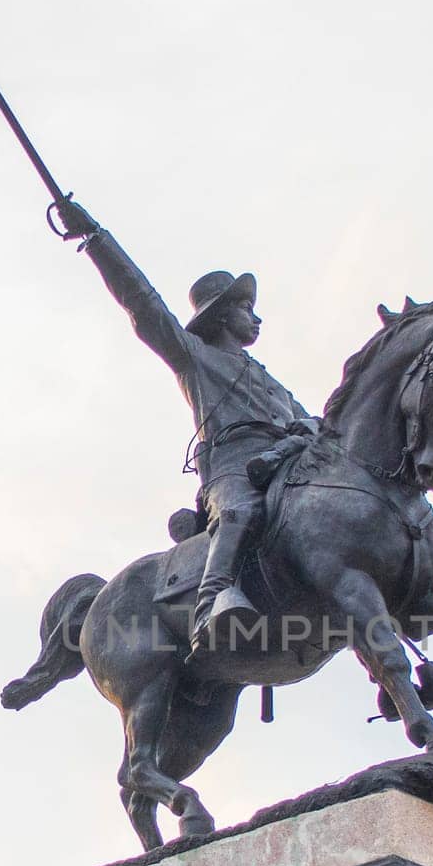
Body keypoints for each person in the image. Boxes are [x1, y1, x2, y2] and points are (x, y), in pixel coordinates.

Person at [55, 199, 318, 657]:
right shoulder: (195, 358)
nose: (256, 317)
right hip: (233, 469)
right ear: (221, 315)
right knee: (239, 512)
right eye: (246, 307)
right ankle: (212, 604)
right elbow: (144, 304)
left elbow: (308, 419)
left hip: (286, 464)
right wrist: (96, 239)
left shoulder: (269, 380)